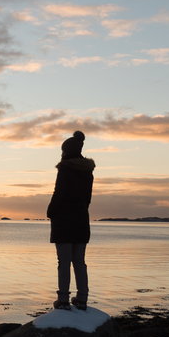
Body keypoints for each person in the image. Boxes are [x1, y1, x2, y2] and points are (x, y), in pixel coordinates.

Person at [46, 130, 95, 310]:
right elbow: (87, 198)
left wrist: (50, 211)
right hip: (82, 220)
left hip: (64, 221)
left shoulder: (65, 168)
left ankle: (64, 300)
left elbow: (59, 193)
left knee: (64, 262)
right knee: (79, 262)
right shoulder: (88, 171)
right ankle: (82, 299)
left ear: (66, 151)